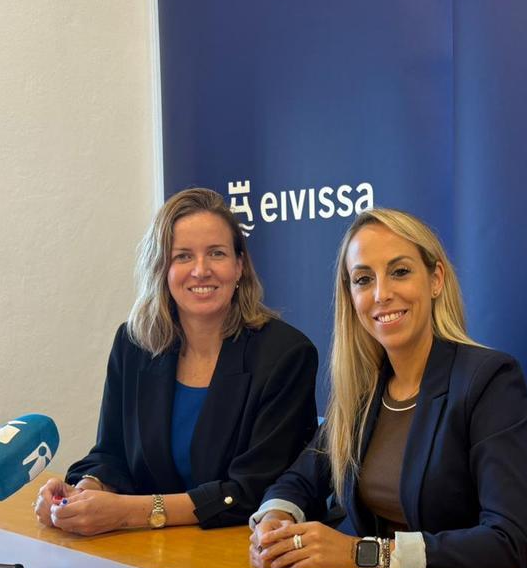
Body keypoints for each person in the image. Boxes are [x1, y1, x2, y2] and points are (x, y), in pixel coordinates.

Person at [247, 208, 527, 568]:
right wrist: (275, 520)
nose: (381, 294)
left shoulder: (489, 379)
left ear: (436, 280)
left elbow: (509, 540)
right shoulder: (363, 389)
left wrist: (362, 554)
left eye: (399, 272)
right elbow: (300, 479)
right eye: (363, 279)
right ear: (351, 296)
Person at [34, 188, 318, 535]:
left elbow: (252, 491)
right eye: (183, 256)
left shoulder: (285, 354)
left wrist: (129, 513)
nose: (201, 270)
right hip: (146, 551)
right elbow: (110, 453)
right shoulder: (134, 343)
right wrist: (82, 493)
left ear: (239, 265)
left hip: (236, 547)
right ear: (161, 268)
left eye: (216, 253)